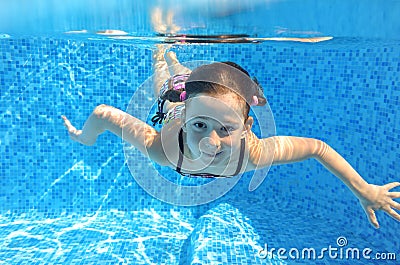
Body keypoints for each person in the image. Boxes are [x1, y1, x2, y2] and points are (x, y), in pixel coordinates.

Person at [62, 46, 400, 229]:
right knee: (168, 85)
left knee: (190, 84)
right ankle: (163, 55)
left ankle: (178, 62)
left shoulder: (253, 154)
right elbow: (104, 114)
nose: (210, 142)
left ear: (248, 127)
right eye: (200, 128)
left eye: (226, 129)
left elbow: (318, 148)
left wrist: (364, 189)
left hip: (195, 102)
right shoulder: (165, 149)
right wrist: (84, 137)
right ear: (185, 125)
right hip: (178, 103)